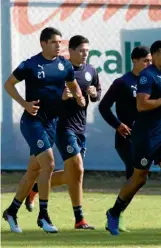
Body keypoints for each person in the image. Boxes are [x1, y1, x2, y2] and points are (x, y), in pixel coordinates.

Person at [3, 27, 85, 233]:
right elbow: (9, 84)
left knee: (34, 171)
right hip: (32, 122)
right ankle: (44, 215)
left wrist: (79, 96)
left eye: (60, 42)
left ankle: (11, 211)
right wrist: (24, 104)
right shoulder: (31, 64)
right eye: (54, 42)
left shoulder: (64, 65)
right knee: (49, 163)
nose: (59, 45)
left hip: (52, 123)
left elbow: (73, 84)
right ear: (43, 43)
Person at [105, 40, 161, 236]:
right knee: (139, 178)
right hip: (145, 136)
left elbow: (159, 103)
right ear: (156, 55)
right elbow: (142, 105)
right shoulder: (146, 76)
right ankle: (114, 212)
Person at [25, 35, 101, 229]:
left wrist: (94, 95)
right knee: (78, 169)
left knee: (73, 174)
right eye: (82, 51)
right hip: (61, 126)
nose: (85, 54)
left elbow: (97, 94)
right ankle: (80, 218)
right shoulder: (61, 70)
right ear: (72, 51)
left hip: (80, 127)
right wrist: (62, 97)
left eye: (88, 51)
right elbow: (49, 97)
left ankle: (36, 188)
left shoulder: (91, 70)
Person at [99, 46, 151, 232]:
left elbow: (153, 106)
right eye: (145, 60)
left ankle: (115, 213)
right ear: (135, 61)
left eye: (150, 61)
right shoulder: (122, 82)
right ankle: (115, 215)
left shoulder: (150, 81)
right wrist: (118, 125)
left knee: (140, 178)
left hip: (145, 137)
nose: (149, 64)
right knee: (135, 175)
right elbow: (103, 107)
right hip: (126, 137)